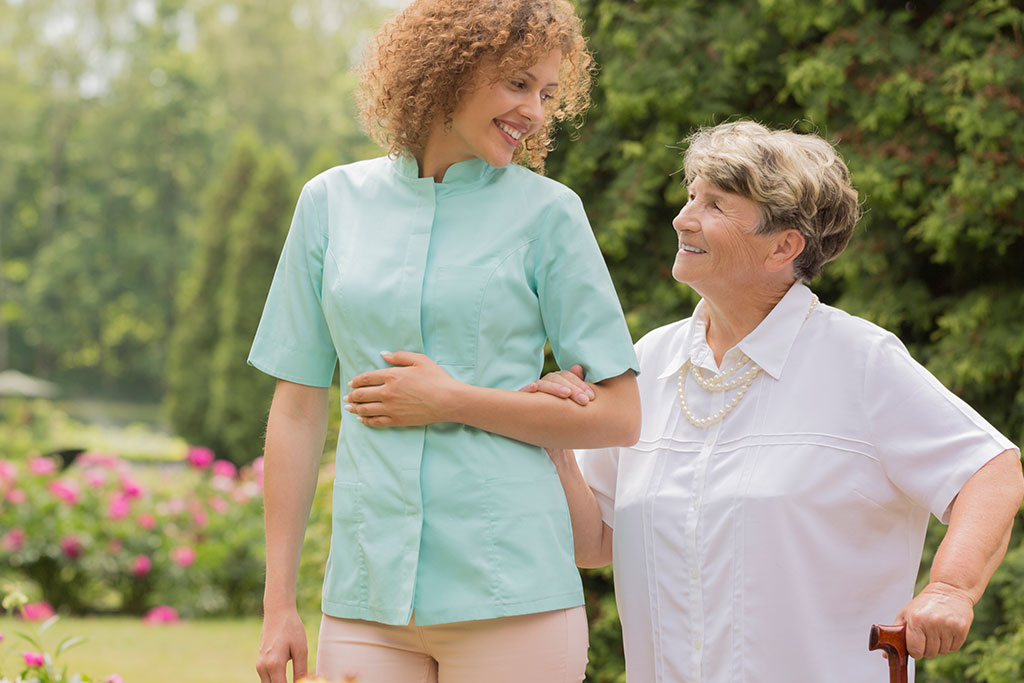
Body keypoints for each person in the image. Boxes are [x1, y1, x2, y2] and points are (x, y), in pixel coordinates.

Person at [536, 121, 1024, 681]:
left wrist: (951, 589)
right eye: (691, 195)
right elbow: (594, 542)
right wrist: (558, 448)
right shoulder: (652, 361)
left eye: (715, 205)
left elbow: (991, 471)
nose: (682, 218)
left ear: (784, 246)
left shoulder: (859, 361)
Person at [249, 2, 641, 682]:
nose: (536, 111)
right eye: (518, 84)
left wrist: (453, 399)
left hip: (512, 591)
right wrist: (278, 601)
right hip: (367, 596)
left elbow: (620, 414)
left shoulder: (550, 215)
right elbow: (298, 408)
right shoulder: (329, 203)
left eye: (547, 92)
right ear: (447, 70)